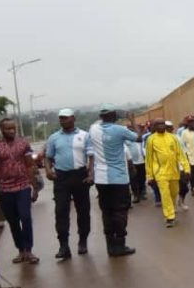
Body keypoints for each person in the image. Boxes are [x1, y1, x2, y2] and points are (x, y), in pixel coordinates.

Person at [0, 118, 39, 264]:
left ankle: (29, 250)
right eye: (8, 129)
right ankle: (20, 250)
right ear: (1, 130)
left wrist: (35, 187)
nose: (12, 131)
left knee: (25, 217)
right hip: (5, 189)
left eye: (13, 128)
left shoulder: (23, 144)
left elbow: (29, 166)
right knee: (13, 221)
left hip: (23, 186)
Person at [90, 105, 141, 257]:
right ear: (114, 117)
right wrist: (132, 120)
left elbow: (99, 122)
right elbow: (138, 137)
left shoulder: (93, 129)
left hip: (101, 179)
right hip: (118, 178)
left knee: (106, 211)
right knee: (120, 211)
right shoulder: (119, 130)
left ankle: (110, 245)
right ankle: (120, 244)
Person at [44, 108, 94, 260]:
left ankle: (83, 241)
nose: (62, 120)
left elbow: (91, 157)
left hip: (80, 175)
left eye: (65, 118)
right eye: (60, 118)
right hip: (61, 177)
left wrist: (91, 174)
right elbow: (48, 157)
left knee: (83, 211)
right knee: (61, 211)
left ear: (73, 118)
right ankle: (63, 246)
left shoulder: (84, 135)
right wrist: (48, 170)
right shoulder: (53, 138)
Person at [146, 119, 191, 228]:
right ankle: (169, 216)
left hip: (174, 172)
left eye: (163, 124)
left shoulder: (173, 138)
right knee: (165, 194)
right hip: (160, 173)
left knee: (174, 192)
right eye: (158, 124)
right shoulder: (151, 139)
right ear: (155, 127)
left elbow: (180, 154)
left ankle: (172, 206)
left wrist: (186, 168)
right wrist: (149, 175)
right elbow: (149, 159)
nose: (161, 126)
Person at [125, 126, 146, 203]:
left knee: (142, 179)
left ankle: (141, 193)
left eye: (132, 129)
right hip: (132, 163)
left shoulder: (139, 138)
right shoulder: (126, 140)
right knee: (133, 179)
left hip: (142, 161)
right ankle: (136, 195)